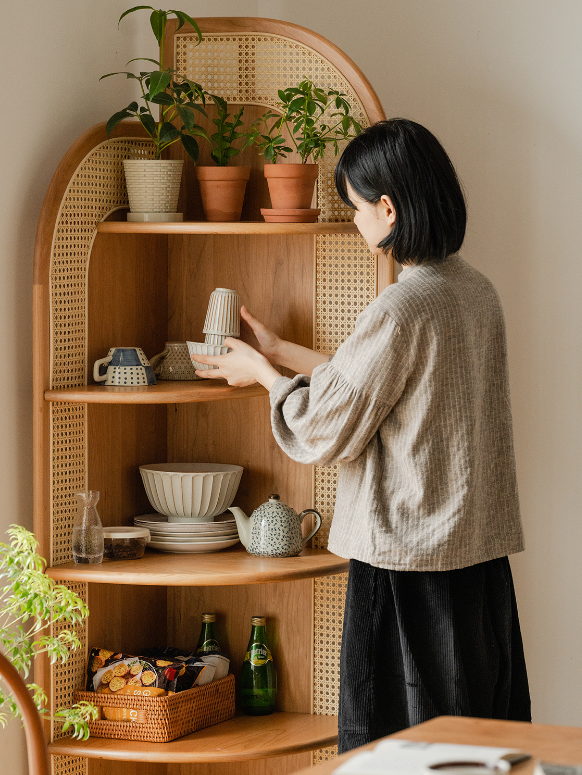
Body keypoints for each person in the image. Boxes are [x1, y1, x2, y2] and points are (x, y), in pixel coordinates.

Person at [193, 118, 531, 752]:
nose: (354, 223)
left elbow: (325, 428)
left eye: (354, 207)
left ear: (388, 207)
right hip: (476, 560)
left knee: (399, 749)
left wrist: (261, 374)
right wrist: (283, 350)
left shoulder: (402, 306)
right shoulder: (473, 291)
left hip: (406, 564)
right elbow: (393, 394)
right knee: (479, 743)